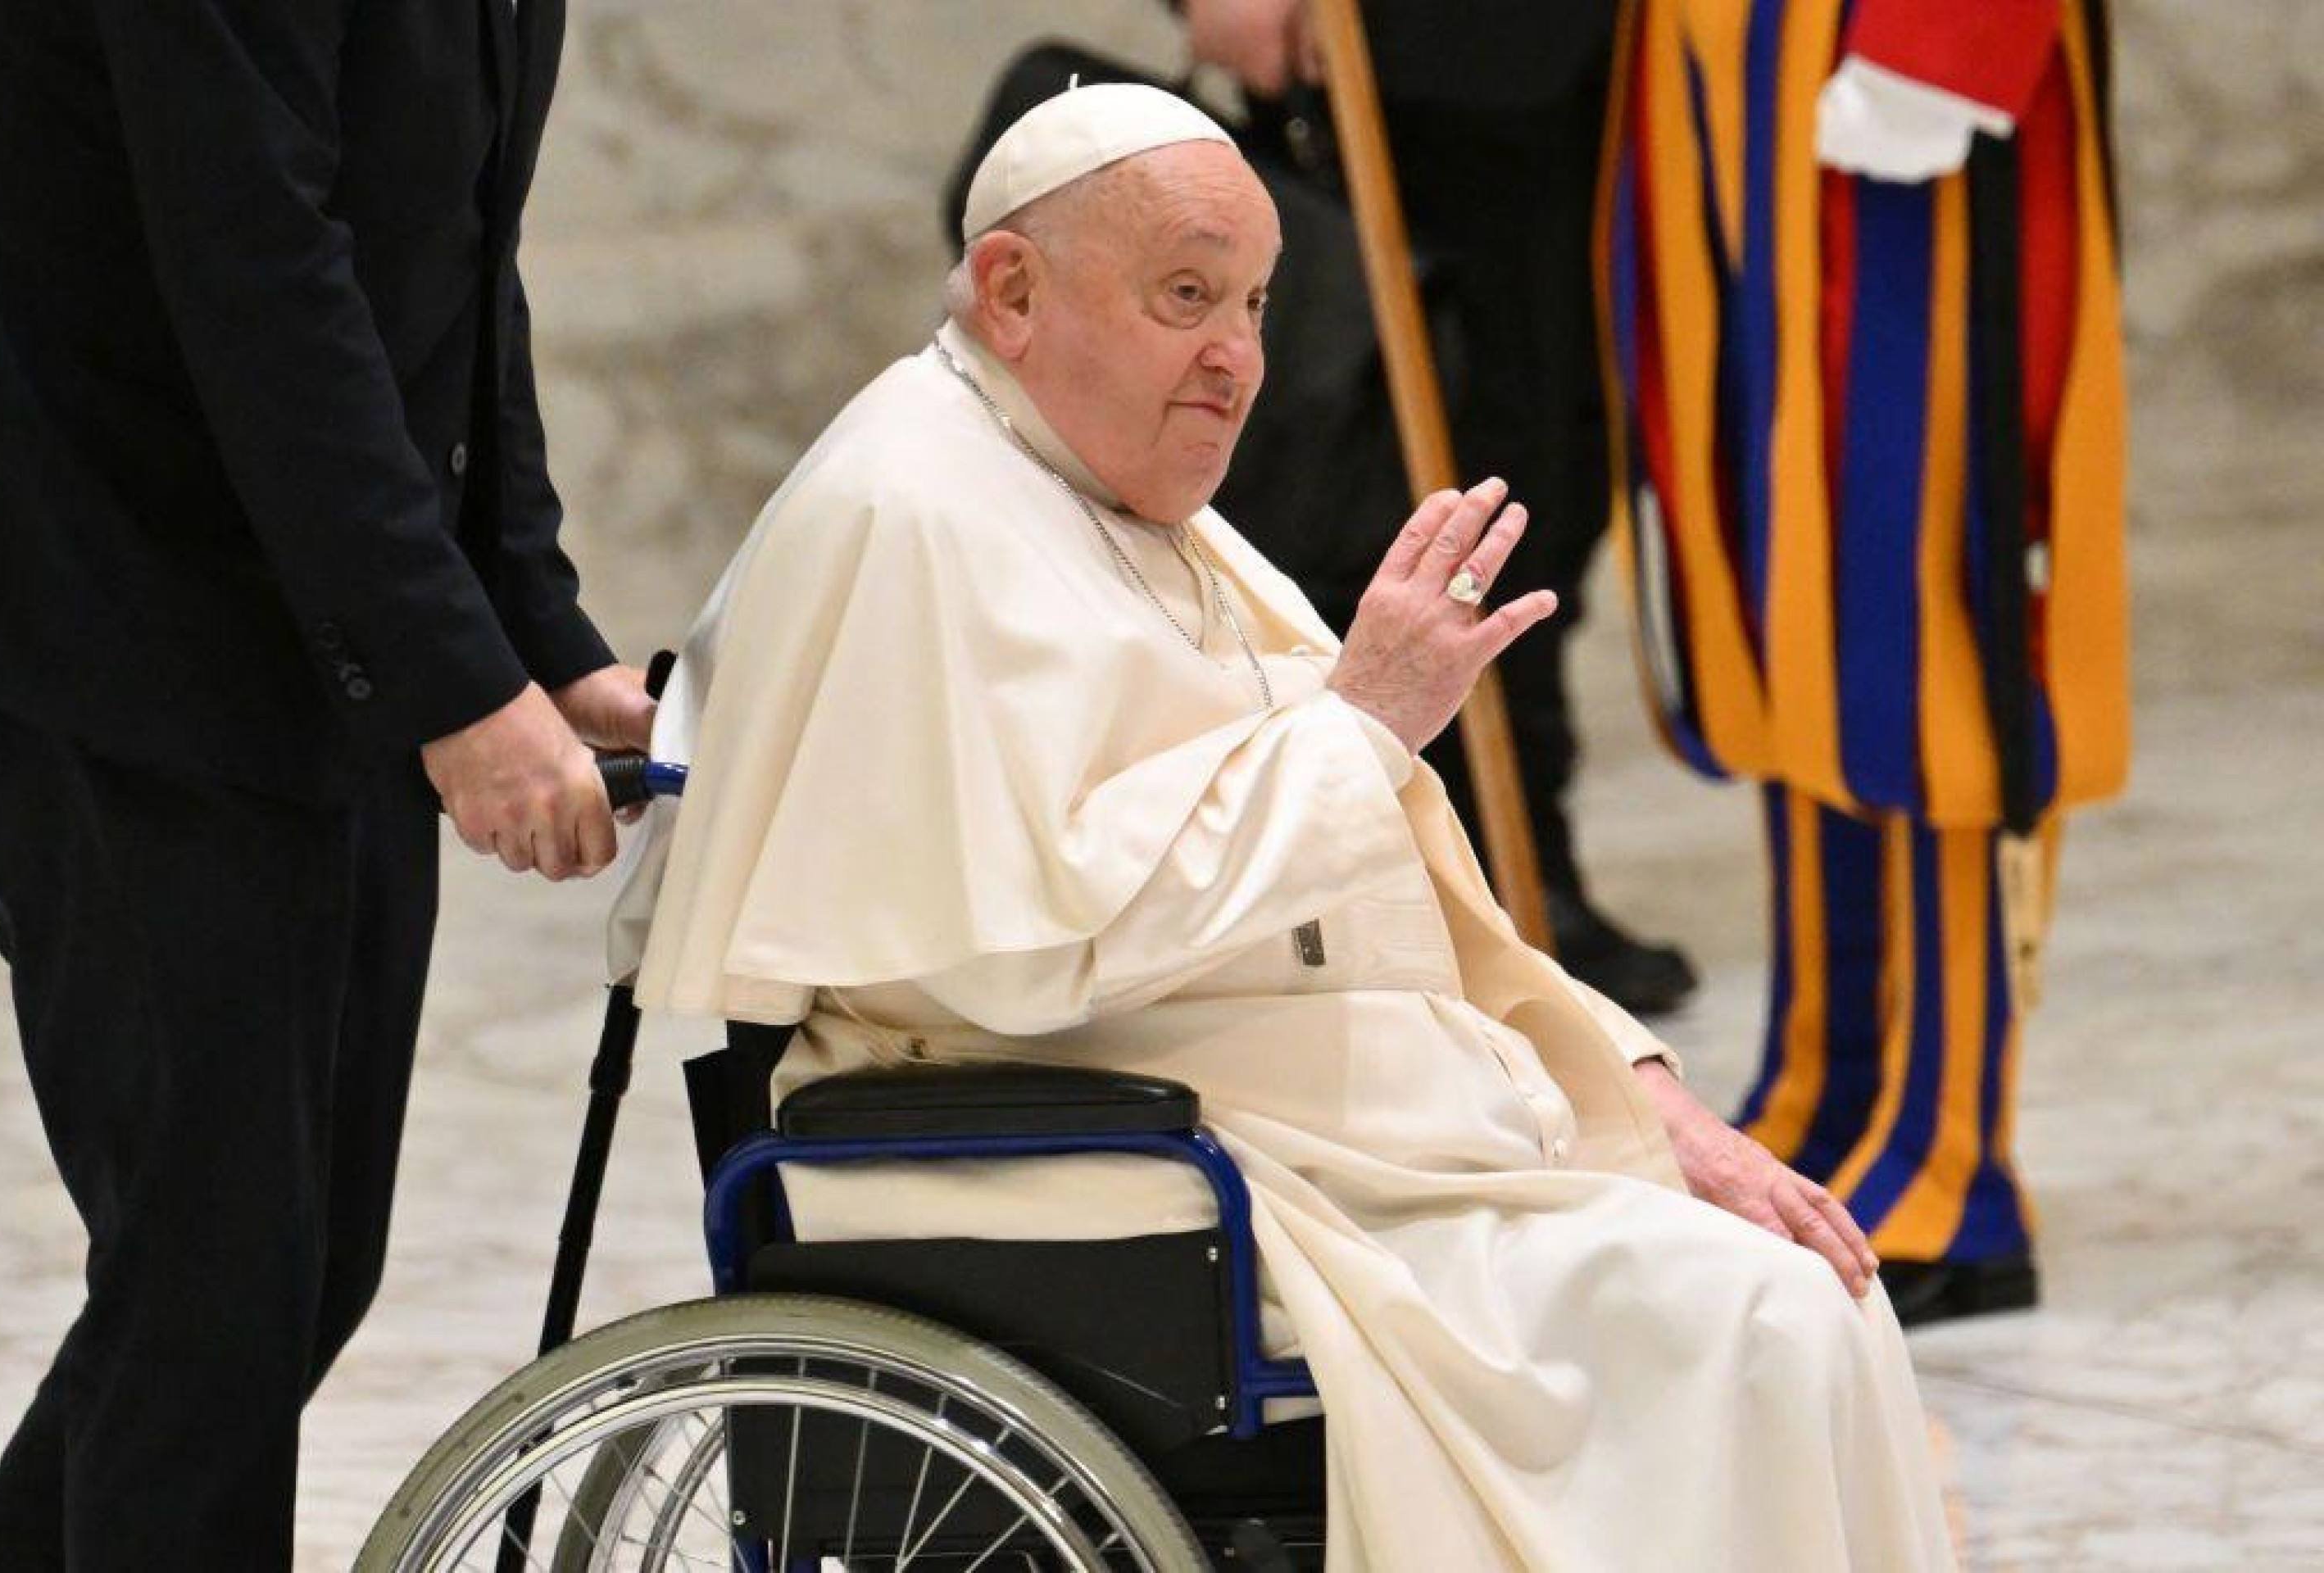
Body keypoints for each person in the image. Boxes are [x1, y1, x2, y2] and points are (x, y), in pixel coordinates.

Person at [614, 84, 1954, 1570]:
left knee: (1797, 1284)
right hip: (1094, 1155)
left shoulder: (1106, 491)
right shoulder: (916, 507)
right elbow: (1036, 947)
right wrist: (1361, 719)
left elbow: (1378, 867)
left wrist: (1637, 1089)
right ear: (1013, 291)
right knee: (1755, 1318)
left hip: (1284, 1125)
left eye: (1253, 303)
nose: (1237, 358)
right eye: (1186, 295)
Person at [0, 0, 651, 1563]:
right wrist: (451, 679)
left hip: (297, 612)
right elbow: (256, 261)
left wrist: (528, 629)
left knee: (292, 1269)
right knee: (215, 1283)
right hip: (102, 604)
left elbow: (455, 254)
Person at [1600, 0, 2127, 1323]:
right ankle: (1828, 1087)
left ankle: (1949, 1151)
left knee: (1917, 604)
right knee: (1794, 591)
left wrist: (1943, 47)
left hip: (1887, 66)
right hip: (1735, 75)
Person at [1169, 0, 1700, 1013]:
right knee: (1419, 457)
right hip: (1421, 62)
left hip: (1634, 65)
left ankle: (1513, 848)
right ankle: (1428, 871)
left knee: (1564, 452)